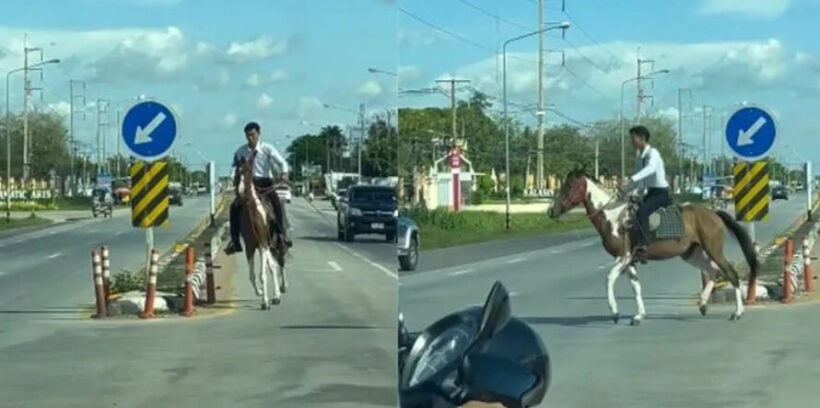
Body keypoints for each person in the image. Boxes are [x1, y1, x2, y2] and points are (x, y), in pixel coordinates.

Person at [225, 121, 292, 255]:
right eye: (248, 136)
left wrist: (284, 173)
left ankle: (281, 235)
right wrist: (232, 177)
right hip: (248, 183)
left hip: (265, 183)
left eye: (253, 135)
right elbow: (235, 168)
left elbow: (281, 162)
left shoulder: (267, 149)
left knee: (277, 205)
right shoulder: (241, 151)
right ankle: (235, 240)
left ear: (258, 134)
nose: (251, 138)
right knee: (234, 207)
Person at [620, 125, 671, 263]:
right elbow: (638, 179)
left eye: (633, 139)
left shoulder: (653, 153)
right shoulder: (640, 157)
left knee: (642, 212)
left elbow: (650, 169)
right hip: (650, 192)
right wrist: (627, 190)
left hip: (661, 193)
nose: (631, 142)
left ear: (642, 139)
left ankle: (644, 247)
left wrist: (631, 179)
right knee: (632, 211)